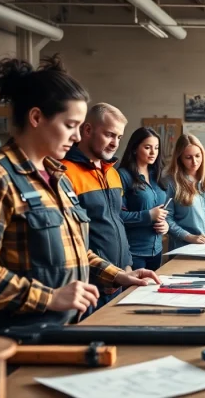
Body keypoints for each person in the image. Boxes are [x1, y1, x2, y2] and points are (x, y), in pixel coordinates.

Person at [0, 55, 159, 336]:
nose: (76, 137)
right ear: (36, 118)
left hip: (58, 330)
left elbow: (73, 252)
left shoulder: (56, 177)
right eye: (70, 126)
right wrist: (48, 297)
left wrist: (118, 275)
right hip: (12, 337)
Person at [61, 103, 132, 313]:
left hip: (119, 278)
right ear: (87, 130)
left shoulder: (112, 172)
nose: (115, 143)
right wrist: (111, 274)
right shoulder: (64, 172)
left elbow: (117, 221)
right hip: (88, 286)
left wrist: (127, 264)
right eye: (110, 135)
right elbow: (72, 239)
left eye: (119, 137)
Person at [117, 127, 169, 271]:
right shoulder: (122, 175)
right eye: (147, 147)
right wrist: (148, 215)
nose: (153, 152)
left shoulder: (156, 174)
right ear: (134, 149)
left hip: (157, 250)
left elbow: (163, 210)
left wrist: (166, 225)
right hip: (133, 252)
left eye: (156, 148)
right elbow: (117, 216)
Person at [165, 134, 205, 250]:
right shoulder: (171, 182)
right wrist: (189, 237)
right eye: (188, 157)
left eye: (198, 156)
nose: (194, 162)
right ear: (179, 158)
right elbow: (166, 218)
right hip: (184, 247)